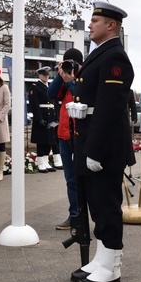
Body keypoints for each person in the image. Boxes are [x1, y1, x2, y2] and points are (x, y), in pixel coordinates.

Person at [69, 1, 135, 282]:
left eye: (96, 20)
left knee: (107, 205)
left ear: (112, 25)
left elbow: (109, 108)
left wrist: (94, 150)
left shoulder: (115, 57)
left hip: (103, 146)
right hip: (91, 140)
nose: (91, 24)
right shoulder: (100, 55)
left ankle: (112, 267)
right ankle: (102, 259)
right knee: (96, 204)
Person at [47, 47, 84, 230]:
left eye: (71, 63)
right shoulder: (63, 78)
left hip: (80, 135)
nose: (69, 66)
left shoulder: (84, 78)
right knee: (70, 179)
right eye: (65, 62)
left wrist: (71, 80)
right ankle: (74, 215)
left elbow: (81, 95)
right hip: (64, 134)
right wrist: (60, 74)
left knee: (82, 178)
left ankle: (84, 215)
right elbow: (50, 94)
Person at [28, 66, 58, 173]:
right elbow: (34, 104)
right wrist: (39, 118)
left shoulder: (49, 86)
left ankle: (46, 162)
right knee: (41, 141)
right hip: (42, 116)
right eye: (44, 75)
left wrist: (55, 118)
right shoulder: (35, 87)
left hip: (50, 116)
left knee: (49, 141)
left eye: (47, 75)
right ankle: (40, 163)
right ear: (39, 75)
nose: (46, 77)